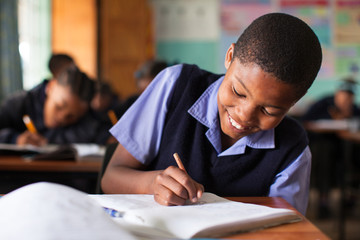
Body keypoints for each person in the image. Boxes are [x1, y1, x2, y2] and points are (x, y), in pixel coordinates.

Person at [101, 13, 322, 215]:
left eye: (269, 110)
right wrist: (151, 184)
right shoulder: (175, 86)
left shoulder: (292, 148)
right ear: (230, 56)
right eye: (238, 92)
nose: (244, 116)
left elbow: (284, 225)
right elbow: (110, 178)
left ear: (294, 102)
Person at [0, 63, 112, 145]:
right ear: (50, 87)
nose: (61, 117)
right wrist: (14, 139)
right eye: (58, 106)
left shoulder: (88, 117)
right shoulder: (20, 103)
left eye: (71, 116)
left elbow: (101, 134)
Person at [301, 77, 360, 218]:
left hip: (346, 148)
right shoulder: (323, 103)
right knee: (324, 155)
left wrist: (346, 117)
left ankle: (350, 199)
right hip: (323, 146)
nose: (346, 102)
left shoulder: (354, 109)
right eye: (344, 99)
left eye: (349, 100)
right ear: (337, 95)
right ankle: (323, 202)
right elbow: (306, 122)